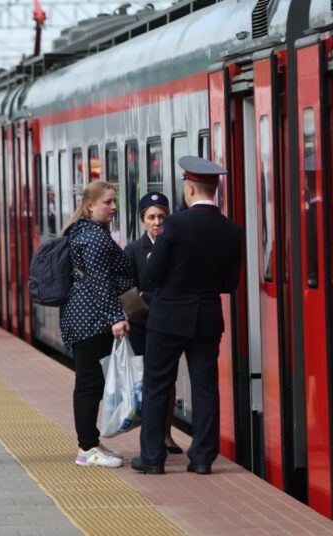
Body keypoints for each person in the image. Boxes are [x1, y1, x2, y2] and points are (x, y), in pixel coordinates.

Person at [131, 156, 242, 476]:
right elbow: (229, 284)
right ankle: (203, 457)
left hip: (166, 319)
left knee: (157, 386)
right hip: (207, 318)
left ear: (190, 189)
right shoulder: (231, 231)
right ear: (214, 190)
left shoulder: (174, 226)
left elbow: (151, 274)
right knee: (205, 387)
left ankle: (152, 457)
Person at [60, 180, 135, 468]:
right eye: (108, 202)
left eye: (115, 201)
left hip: (87, 317)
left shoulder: (88, 232)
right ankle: (87, 449)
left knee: (91, 382)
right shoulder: (93, 237)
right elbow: (99, 281)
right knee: (89, 384)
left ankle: (91, 442)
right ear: (90, 206)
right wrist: (115, 317)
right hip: (90, 319)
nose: (114, 207)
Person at [123, 192, 183, 456]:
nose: (157, 222)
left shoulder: (176, 246)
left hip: (169, 322)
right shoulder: (133, 250)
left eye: (162, 216)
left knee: (168, 380)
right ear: (142, 220)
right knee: (146, 381)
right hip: (142, 324)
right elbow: (126, 287)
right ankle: (151, 433)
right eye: (151, 217)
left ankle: (167, 434)